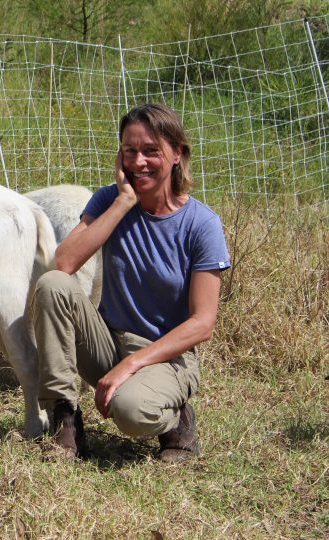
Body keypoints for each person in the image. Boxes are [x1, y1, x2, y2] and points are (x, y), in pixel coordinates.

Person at [32, 103, 231, 462]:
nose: (138, 162)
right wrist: (124, 202)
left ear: (177, 154)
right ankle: (65, 419)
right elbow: (64, 262)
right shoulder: (111, 199)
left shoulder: (202, 225)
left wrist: (130, 365)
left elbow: (202, 324)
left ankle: (177, 419)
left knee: (131, 411)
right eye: (130, 151)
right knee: (53, 286)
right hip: (109, 339)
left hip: (167, 356)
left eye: (151, 151)